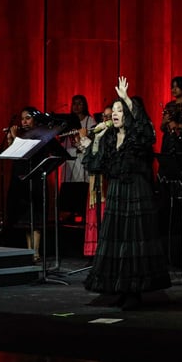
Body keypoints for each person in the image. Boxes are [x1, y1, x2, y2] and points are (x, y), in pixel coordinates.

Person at [78, 77, 170, 309]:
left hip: (136, 190)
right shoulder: (109, 138)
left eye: (120, 110)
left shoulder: (137, 136)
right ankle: (118, 287)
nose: (115, 114)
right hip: (118, 191)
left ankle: (135, 291)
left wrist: (127, 98)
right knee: (117, 239)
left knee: (134, 239)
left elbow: (146, 129)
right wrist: (96, 139)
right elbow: (94, 165)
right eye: (113, 111)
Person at [3, 106, 46, 261]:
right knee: (27, 221)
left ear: (35, 119)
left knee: (36, 219)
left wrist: (15, 138)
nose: (24, 121)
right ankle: (30, 253)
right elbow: (14, 156)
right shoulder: (23, 135)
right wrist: (10, 140)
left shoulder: (40, 134)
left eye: (28, 118)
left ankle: (35, 252)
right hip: (21, 181)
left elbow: (27, 154)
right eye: (22, 119)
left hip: (34, 181)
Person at [59, 94, 96, 221]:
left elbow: (91, 141)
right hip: (68, 162)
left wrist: (79, 140)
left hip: (82, 162)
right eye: (74, 103)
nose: (76, 106)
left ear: (85, 105)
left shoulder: (89, 121)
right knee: (67, 203)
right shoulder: (66, 123)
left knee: (80, 194)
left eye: (80, 103)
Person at [84, 104, 111, 258]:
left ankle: (106, 252)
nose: (105, 119)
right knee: (94, 214)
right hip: (95, 182)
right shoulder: (98, 134)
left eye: (108, 116)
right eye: (104, 116)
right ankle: (93, 253)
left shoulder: (113, 135)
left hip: (106, 182)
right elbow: (90, 157)